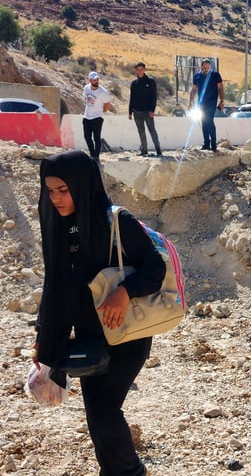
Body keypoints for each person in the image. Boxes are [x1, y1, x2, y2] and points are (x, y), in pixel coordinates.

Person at [34, 150, 165, 475]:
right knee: (97, 412)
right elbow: (55, 287)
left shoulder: (116, 222)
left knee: (104, 410)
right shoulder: (60, 229)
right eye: (50, 191)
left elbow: (155, 267)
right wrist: (44, 339)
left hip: (127, 334)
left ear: (82, 184)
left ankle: (130, 471)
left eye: (63, 190)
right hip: (91, 338)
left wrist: (124, 292)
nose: (56, 199)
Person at [188, 59, 224, 151]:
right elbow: (193, 90)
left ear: (210, 67)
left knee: (209, 120)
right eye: (204, 67)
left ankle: (213, 144)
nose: (206, 69)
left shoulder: (215, 75)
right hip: (201, 102)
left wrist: (222, 101)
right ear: (201, 67)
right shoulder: (197, 76)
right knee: (203, 121)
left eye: (208, 67)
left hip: (212, 101)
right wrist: (190, 102)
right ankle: (206, 143)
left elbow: (220, 88)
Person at [129, 62, 162, 157]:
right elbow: (132, 98)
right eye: (138, 70)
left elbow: (154, 97)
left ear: (144, 70)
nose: (139, 71)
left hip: (148, 111)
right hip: (136, 111)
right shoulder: (134, 83)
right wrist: (130, 112)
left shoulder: (150, 81)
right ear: (135, 70)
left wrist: (152, 110)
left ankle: (158, 149)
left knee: (152, 130)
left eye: (141, 69)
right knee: (141, 131)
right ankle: (144, 150)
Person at [82, 71, 111, 161]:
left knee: (96, 137)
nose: (96, 81)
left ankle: (96, 156)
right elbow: (85, 97)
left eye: (97, 79)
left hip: (97, 117)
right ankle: (92, 154)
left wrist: (100, 112)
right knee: (87, 136)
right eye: (94, 80)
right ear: (90, 80)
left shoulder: (103, 92)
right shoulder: (86, 88)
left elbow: (107, 105)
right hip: (87, 116)